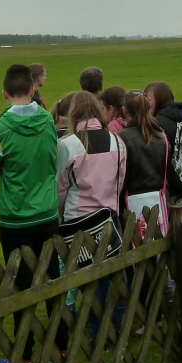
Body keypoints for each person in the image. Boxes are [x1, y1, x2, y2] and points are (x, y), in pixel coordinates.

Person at [0, 64, 64, 363]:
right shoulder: (48, 121)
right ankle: (61, 346)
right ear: (33, 90)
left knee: (21, 287)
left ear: (4, 93)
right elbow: (51, 158)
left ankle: (25, 355)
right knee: (53, 280)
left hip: (15, 217)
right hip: (47, 213)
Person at [58, 91, 127, 339]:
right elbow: (120, 181)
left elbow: (61, 187)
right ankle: (112, 325)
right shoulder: (117, 141)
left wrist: (61, 215)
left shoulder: (68, 144)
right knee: (107, 277)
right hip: (108, 216)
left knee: (89, 279)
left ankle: (99, 331)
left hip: (78, 219)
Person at [118, 91, 169, 235]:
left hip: (131, 199)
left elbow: (122, 175)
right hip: (158, 198)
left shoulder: (122, 137)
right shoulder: (160, 135)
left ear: (124, 110)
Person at [146, 81, 182, 199]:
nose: (145, 104)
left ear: (160, 100)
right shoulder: (181, 117)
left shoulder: (158, 123)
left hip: (168, 182)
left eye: (149, 100)